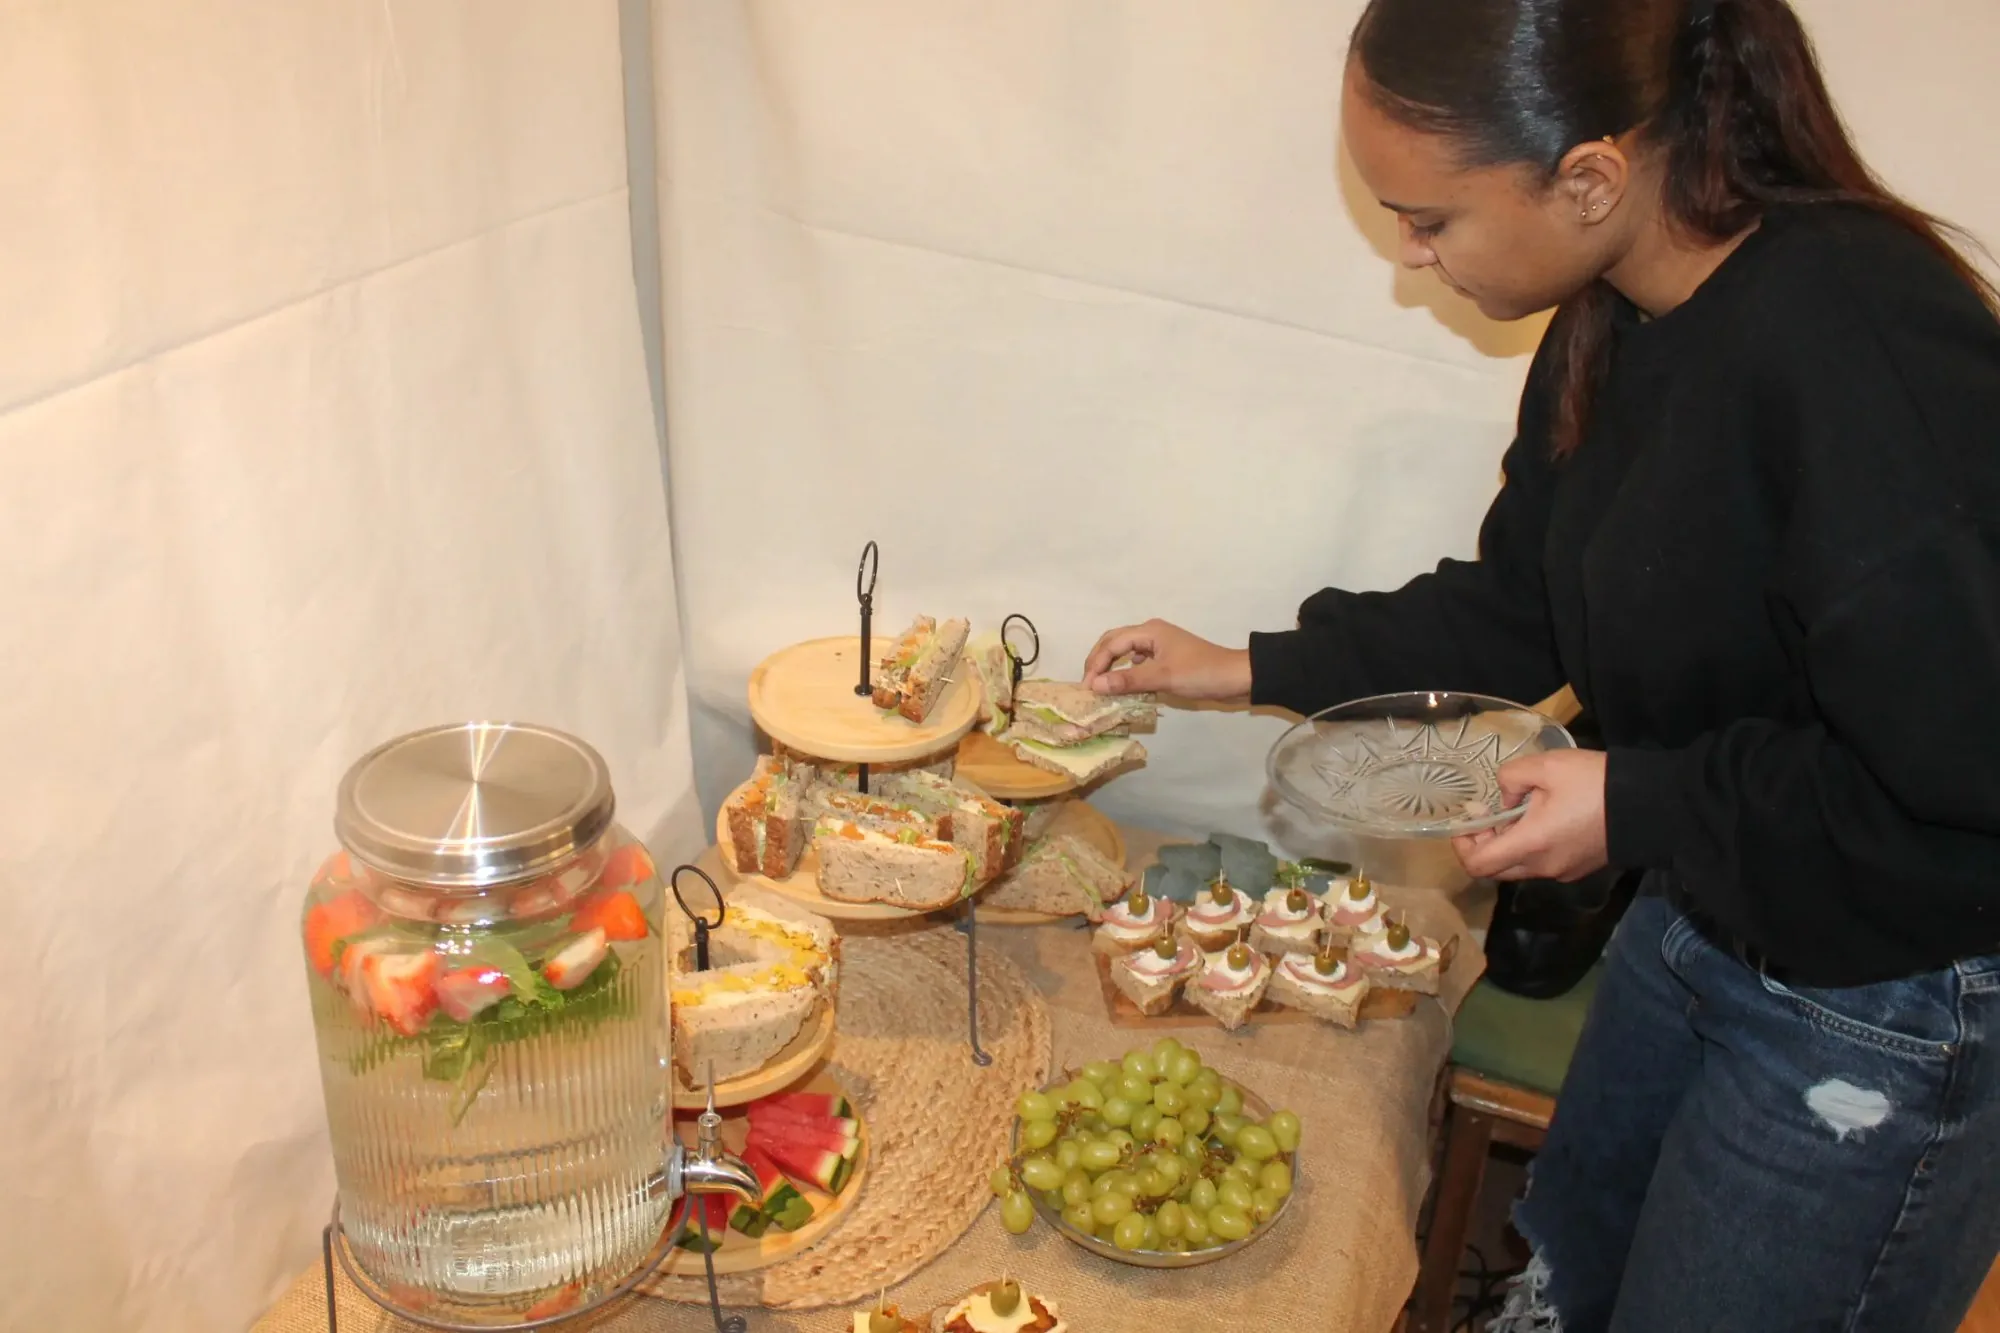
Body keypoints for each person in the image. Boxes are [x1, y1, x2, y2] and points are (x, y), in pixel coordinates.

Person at [1083, 0, 2000, 1327]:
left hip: (1894, 987)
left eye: (1431, 219)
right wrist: (1246, 664)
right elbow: (1530, 601)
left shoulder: (1865, 348)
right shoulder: (1613, 316)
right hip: (1709, 903)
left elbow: (1966, 768)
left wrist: (1638, 798)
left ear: (1589, 178)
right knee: (1566, 1276)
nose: (1411, 256)